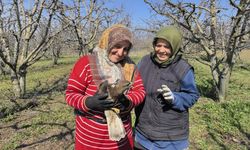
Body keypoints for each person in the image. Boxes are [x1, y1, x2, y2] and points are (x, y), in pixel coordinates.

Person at [65, 24, 145, 150]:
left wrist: (127, 102)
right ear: (107, 42)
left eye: (125, 49)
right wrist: (89, 102)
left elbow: (140, 91)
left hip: (121, 137)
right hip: (90, 137)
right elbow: (71, 94)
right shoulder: (86, 63)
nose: (120, 53)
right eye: (117, 46)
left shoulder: (130, 67)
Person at [134, 26, 200, 150]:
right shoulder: (144, 62)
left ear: (174, 47)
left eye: (167, 46)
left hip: (170, 139)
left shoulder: (183, 68)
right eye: (158, 45)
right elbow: (134, 84)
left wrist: (175, 98)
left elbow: (192, 95)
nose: (161, 50)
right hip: (142, 134)